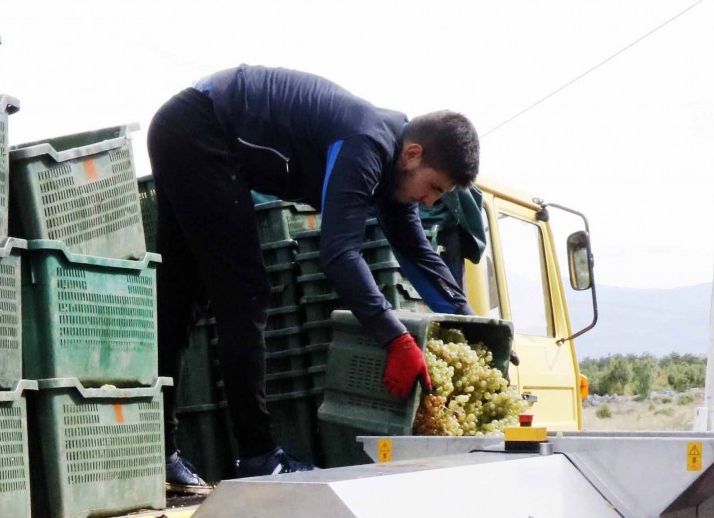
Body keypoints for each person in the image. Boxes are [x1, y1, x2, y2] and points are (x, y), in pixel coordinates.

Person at [149, 66, 480, 487]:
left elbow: (417, 254)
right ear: (413, 154)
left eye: (440, 196)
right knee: (245, 293)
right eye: (433, 187)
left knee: (179, 299)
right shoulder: (368, 142)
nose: (429, 199)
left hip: (186, 128)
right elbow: (339, 253)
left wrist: (473, 326)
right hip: (200, 127)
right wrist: (395, 339)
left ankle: (156, 454)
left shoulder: (393, 167)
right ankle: (258, 457)